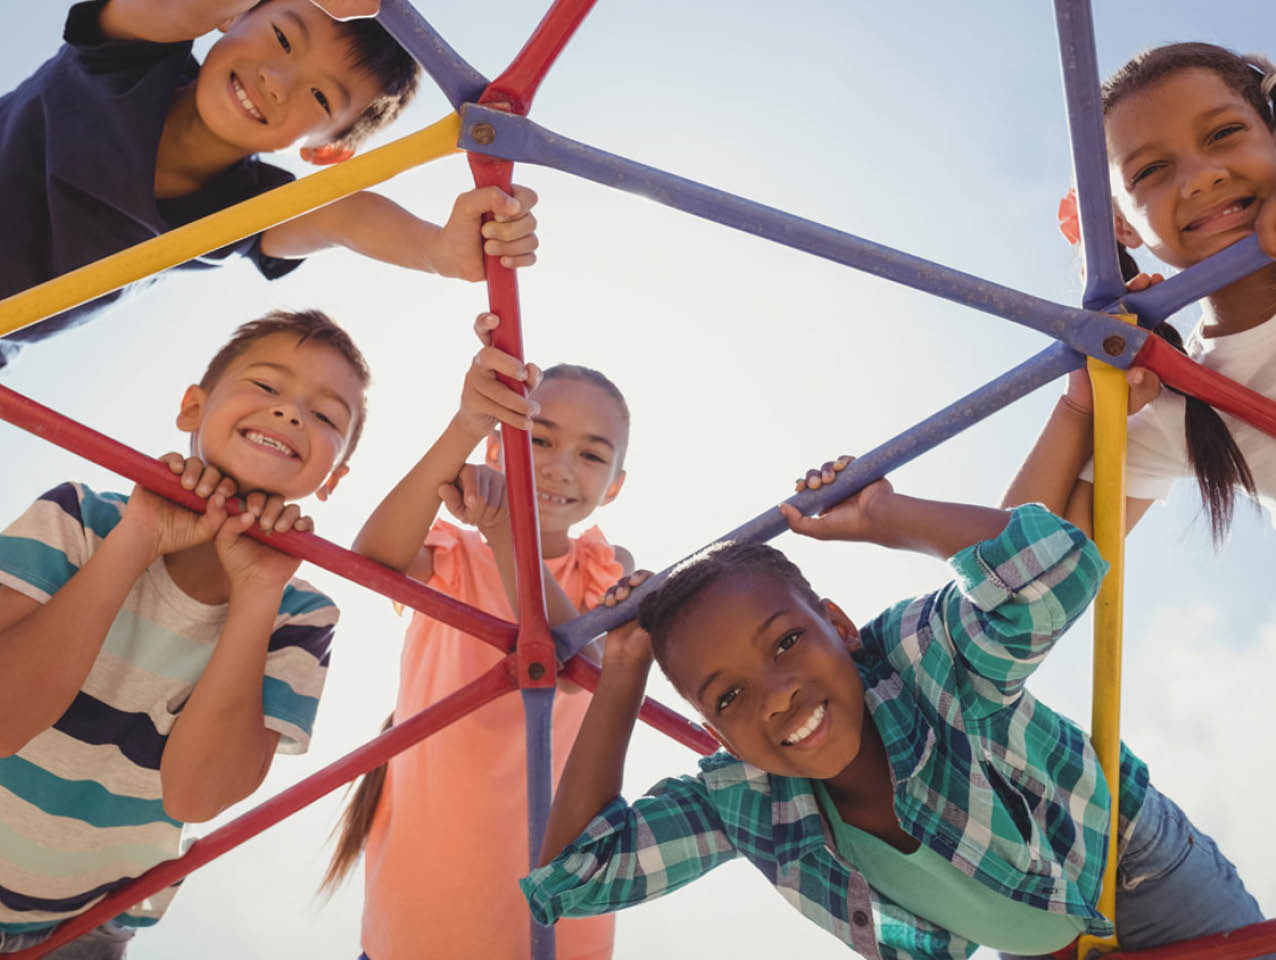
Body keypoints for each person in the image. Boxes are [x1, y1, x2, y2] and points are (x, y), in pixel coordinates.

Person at [520, 459, 1268, 959]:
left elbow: (1059, 569)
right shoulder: (744, 798)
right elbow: (575, 874)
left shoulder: (919, 659)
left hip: (1137, 872)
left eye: (784, 642)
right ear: (719, 736)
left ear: (839, 626)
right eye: (731, 696)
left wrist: (887, 514)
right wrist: (623, 672)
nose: (776, 693)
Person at [0, 309, 370, 957]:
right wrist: (138, 538)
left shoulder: (301, 612)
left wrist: (257, 593)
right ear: (193, 407)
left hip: (76, 930)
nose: (290, 414)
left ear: (333, 478)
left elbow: (196, 795)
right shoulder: (81, 516)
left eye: (326, 416)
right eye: (266, 386)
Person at [323, 314, 632, 960]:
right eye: (538, 440)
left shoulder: (605, 567)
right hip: (426, 911)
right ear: (498, 449)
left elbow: (578, 660)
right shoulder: (456, 552)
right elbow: (372, 558)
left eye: (592, 455)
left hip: (552, 924)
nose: (559, 468)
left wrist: (504, 531)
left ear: (614, 487)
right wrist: (466, 424)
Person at [0, 0, 539, 368]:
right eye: (282, 36)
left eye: (322, 98)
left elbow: (345, 216)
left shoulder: (245, 207)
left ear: (327, 148)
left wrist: (440, 251)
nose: (277, 81)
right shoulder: (127, 55)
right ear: (234, 18)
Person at [1003, 42, 1276, 545]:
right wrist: (1082, 408)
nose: (1201, 177)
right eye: (1150, 171)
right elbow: (1023, 575)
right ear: (1122, 226)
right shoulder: (1177, 400)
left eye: (1224, 134)